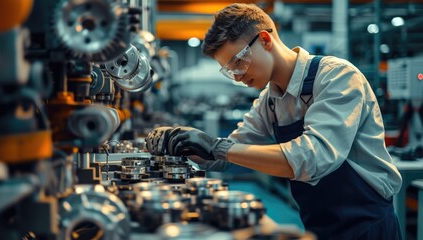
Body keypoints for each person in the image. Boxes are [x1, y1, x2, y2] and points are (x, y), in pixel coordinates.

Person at [146, 3, 402, 239]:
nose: (237, 77)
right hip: (318, 226)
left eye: (238, 63)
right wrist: (184, 144)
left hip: (368, 226)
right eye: (229, 71)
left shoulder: (337, 77)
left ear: (265, 40)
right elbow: (225, 155)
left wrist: (217, 147)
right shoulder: (270, 100)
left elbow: (314, 158)